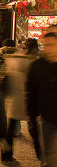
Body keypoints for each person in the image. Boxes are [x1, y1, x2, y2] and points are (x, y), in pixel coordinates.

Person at [0, 38, 39, 161]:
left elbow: (5, 79)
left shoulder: (12, 60)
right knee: (34, 129)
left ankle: (6, 154)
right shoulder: (33, 63)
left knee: (10, 128)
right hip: (28, 99)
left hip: (14, 100)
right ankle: (41, 153)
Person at [27, 30, 57, 165]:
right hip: (47, 118)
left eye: (52, 45)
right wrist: (32, 118)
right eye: (46, 45)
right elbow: (31, 94)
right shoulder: (37, 66)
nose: (48, 49)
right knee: (48, 155)